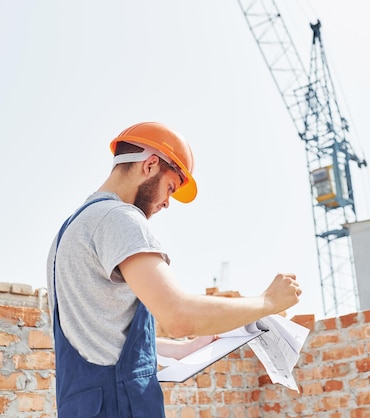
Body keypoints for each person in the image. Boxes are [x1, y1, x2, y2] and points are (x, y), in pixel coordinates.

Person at [46, 121, 302, 417]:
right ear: (151, 164)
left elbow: (105, 332)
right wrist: (268, 301)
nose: (167, 203)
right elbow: (177, 315)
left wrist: (180, 350)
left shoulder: (71, 230)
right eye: (170, 187)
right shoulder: (119, 219)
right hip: (120, 406)